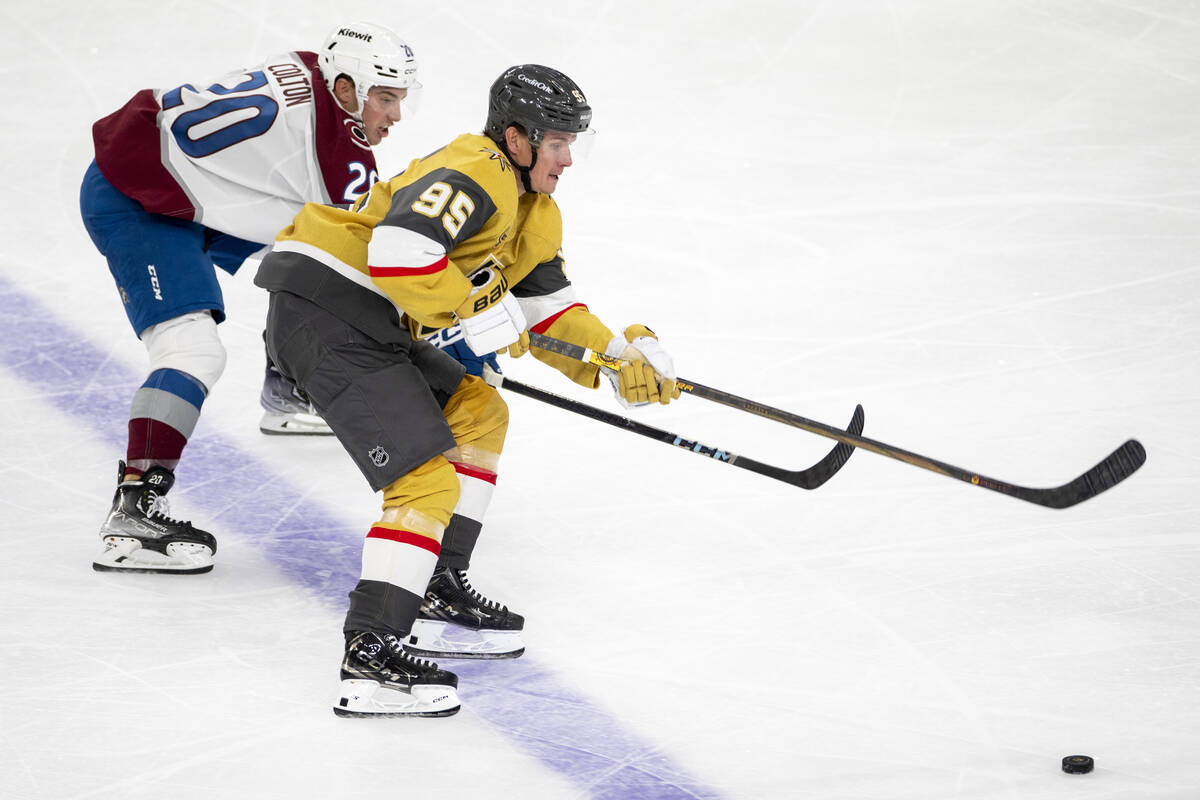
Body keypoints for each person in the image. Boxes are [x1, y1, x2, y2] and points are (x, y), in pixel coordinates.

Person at [254, 64, 679, 716]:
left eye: (573, 144)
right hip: (328, 306)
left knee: (480, 412)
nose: (568, 159)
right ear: (517, 138)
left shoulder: (534, 210)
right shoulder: (476, 169)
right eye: (558, 142)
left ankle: (435, 587)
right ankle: (369, 654)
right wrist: (473, 308)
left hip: (369, 319)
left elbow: (544, 316)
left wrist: (616, 357)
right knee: (426, 481)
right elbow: (399, 251)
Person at [80, 22, 420, 574]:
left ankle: (286, 388)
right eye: (384, 99)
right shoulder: (339, 154)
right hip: (139, 198)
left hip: (184, 178)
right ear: (346, 88)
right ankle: (135, 512)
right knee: (193, 353)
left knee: (305, 241)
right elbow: (371, 267)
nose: (395, 117)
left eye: (401, 99)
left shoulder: (312, 64)